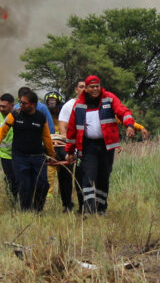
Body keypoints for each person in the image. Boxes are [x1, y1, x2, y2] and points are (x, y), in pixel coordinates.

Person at [65, 75, 135, 215]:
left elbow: (123, 111)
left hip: (106, 146)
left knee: (103, 177)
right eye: (92, 87)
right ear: (86, 88)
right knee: (88, 176)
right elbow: (72, 130)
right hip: (88, 146)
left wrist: (129, 125)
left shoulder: (109, 98)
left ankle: (101, 209)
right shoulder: (78, 105)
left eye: (97, 86)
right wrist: (70, 151)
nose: (95, 89)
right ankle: (89, 210)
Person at [0, 91, 56, 211]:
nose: (20, 105)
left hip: (38, 157)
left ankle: (37, 210)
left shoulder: (41, 117)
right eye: (20, 102)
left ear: (33, 105)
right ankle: (26, 211)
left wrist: (51, 154)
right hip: (20, 157)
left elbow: (46, 137)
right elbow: (1, 132)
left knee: (43, 184)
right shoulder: (15, 115)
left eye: (23, 103)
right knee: (25, 185)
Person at [58, 79, 86, 212]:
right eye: (81, 87)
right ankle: (67, 204)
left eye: (87, 87)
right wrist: (69, 147)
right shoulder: (68, 106)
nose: (84, 89)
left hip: (87, 147)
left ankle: (83, 206)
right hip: (69, 145)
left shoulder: (95, 105)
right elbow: (62, 128)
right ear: (76, 89)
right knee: (65, 174)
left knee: (82, 176)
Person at [45, 91, 75, 212]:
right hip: (50, 146)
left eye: (54, 101)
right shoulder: (45, 115)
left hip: (65, 146)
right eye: (49, 101)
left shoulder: (65, 113)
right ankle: (49, 196)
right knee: (49, 173)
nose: (52, 104)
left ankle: (64, 199)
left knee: (65, 174)